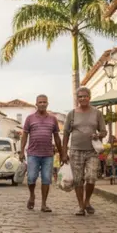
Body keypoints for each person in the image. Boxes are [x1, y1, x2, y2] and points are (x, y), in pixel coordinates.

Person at [62, 87, 107, 216]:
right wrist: (64, 153)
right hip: (75, 150)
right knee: (78, 179)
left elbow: (104, 131)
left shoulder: (96, 113)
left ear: (89, 97)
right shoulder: (72, 114)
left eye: (85, 96)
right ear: (77, 98)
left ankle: (87, 201)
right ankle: (81, 206)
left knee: (91, 177)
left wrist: (98, 135)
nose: (82, 98)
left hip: (92, 151)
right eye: (80, 96)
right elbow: (65, 134)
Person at [19, 94, 64, 213]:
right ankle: (32, 195)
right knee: (31, 177)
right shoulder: (30, 118)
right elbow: (24, 136)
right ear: (36, 104)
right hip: (33, 153)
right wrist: (21, 151)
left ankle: (44, 204)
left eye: (45, 102)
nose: (42, 104)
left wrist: (62, 152)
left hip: (48, 154)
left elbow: (57, 137)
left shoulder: (53, 119)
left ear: (47, 104)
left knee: (46, 179)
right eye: (40, 102)